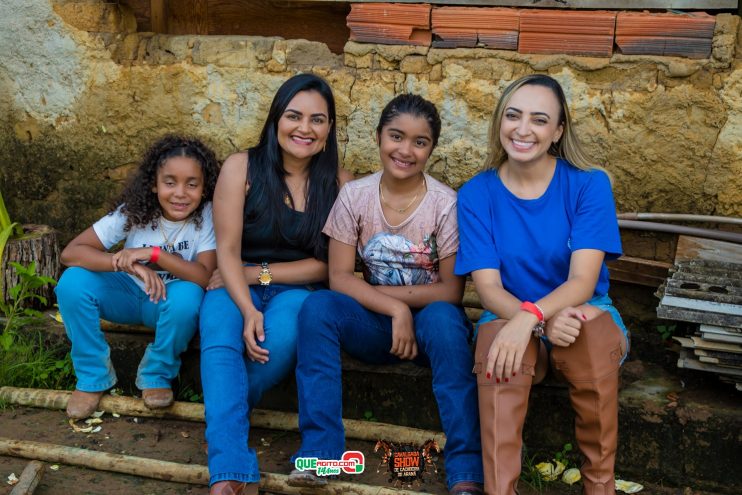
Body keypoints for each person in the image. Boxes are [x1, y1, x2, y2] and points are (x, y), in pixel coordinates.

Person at [290, 94, 484, 495]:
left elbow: (450, 290)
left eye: (420, 141)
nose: (406, 150)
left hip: (433, 322)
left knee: (447, 323)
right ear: (379, 137)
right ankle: (321, 454)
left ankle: (466, 470)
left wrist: (406, 311)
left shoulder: (445, 204)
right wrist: (394, 308)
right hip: (375, 324)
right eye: (396, 136)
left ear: (431, 148)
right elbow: (340, 278)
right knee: (317, 307)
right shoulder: (355, 196)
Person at [455, 74, 629, 495]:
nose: (523, 129)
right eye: (513, 116)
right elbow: (489, 290)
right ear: (500, 122)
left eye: (539, 119)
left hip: (582, 311)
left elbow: (583, 281)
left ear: (557, 131)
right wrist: (532, 323)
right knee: (495, 342)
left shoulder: (589, 184)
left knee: (587, 330)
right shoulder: (477, 194)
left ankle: (599, 487)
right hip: (512, 315)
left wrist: (534, 315)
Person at [200, 73, 352, 495]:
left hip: (295, 292)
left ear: (329, 130)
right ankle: (229, 473)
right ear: (275, 120)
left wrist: (261, 275)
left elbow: (329, 266)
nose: (304, 128)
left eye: (317, 120)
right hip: (232, 281)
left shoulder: (340, 183)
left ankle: (222, 421)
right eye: (294, 116)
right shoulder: (240, 167)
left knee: (272, 347)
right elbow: (227, 251)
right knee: (220, 340)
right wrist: (247, 305)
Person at [56, 135, 219, 419]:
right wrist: (129, 265)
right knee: (72, 282)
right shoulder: (134, 210)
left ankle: (156, 372)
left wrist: (154, 255)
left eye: (192, 184)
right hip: (126, 295)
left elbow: (204, 276)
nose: (180, 193)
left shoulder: (207, 216)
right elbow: (71, 253)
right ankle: (92, 377)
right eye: (170, 182)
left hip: (168, 303)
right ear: (154, 184)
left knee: (190, 295)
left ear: (204, 188)